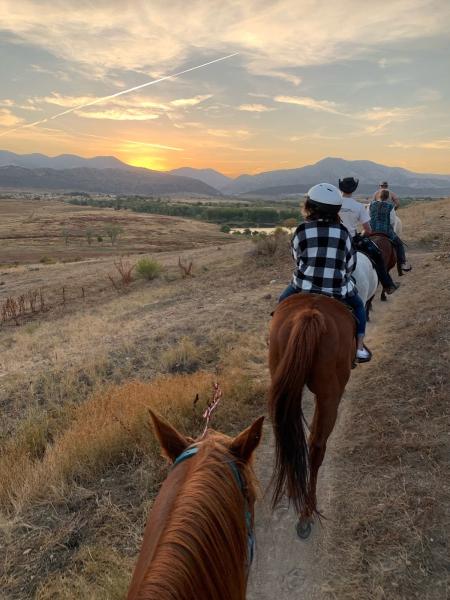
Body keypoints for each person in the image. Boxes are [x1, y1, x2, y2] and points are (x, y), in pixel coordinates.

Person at [279, 183, 371, 362]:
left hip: (303, 286)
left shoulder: (301, 230)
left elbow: (297, 259)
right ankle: (359, 348)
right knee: (359, 306)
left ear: (310, 207)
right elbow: (350, 264)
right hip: (337, 289)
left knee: (282, 302)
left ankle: (273, 336)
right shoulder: (344, 232)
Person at [338, 177, 398, 295]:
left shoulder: (334, 204)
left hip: (334, 239)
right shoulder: (358, 206)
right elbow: (368, 230)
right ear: (354, 189)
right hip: (352, 240)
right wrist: (362, 235)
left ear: (340, 188)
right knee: (377, 255)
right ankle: (387, 285)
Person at [370, 189, 411, 271]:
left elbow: (368, 218)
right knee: (399, 244)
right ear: (388, 197)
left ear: (379, 196)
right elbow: (392, 221)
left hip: (373, 230)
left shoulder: (371, 205)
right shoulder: (390, 207)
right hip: (386, 230)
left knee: (360, 242)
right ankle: (403, 263)